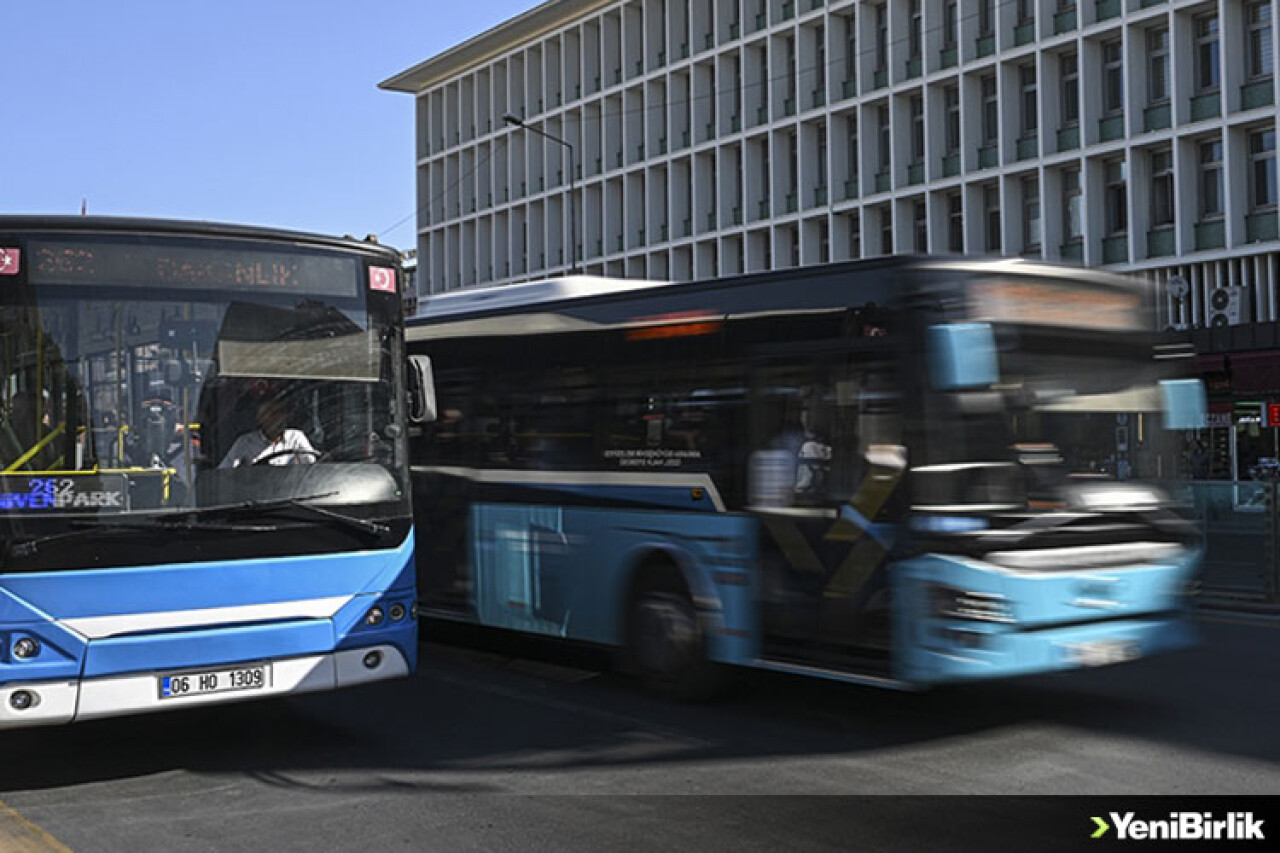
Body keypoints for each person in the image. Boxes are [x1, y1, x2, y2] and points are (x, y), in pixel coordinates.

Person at [219, 399, 319, 468]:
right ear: (260, 419)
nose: (277, 418)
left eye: (279, 412)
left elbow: (311, 468)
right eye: (271, 413)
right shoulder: (245, 442)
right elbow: (225, 473)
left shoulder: (296, 437)